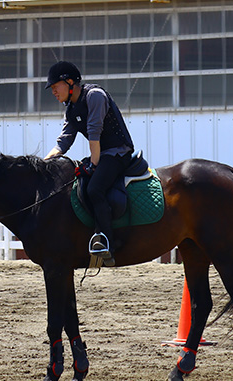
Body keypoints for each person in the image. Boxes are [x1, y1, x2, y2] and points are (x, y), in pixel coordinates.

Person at [43, 61, 135, 267]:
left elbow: (94, 133)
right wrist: (43, 164)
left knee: (95, 189)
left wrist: (93, 165)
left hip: (118, 152)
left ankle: (107, 242)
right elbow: (63, 142)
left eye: (55, 87)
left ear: (69, 82)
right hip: (101, 154)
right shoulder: (71, 108)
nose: (53, 92)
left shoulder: (95, 96)